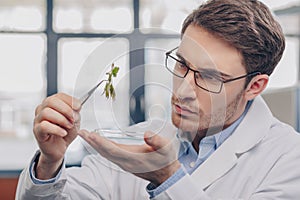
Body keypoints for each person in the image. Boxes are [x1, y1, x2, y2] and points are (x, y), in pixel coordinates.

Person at [16, 0, 300, 199]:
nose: (184, 90)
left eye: (210, 77)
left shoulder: (289, 160)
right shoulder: (139, 138)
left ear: (255, 86)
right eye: (181, 64)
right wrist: (49, 164)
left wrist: (168, 180)